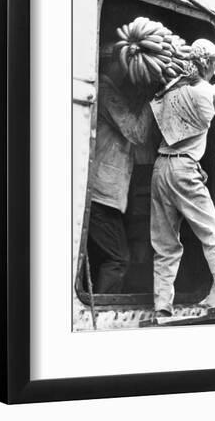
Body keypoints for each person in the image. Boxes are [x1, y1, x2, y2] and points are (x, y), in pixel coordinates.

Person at [149, 38, 215, 317]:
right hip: (184, 171)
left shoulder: (167, 92)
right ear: (205, 63)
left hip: (161, 167)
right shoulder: (209, 92)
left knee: (165, 245)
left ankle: (162, 308)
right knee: (213, 234)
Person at [87, 46, 152, 294]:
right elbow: (136, 132)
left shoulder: (112, 94)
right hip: (101, 195)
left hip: (108, 195)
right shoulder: (106, 93)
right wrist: (152, 101)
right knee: (118, 259)